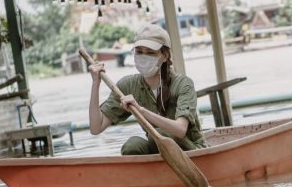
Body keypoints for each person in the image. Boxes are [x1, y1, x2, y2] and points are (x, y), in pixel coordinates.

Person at [87, 23, 207, 155]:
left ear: (165, 55)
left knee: (159, 134)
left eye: (150, 53)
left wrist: (141, 111)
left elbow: (180, 129)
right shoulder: (128, 85)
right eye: (139, 52)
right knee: (132, 145)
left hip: (190, 148)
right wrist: (95, 83)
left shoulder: (183, 84)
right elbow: (96, 128)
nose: (143, 57)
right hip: (156, 145)